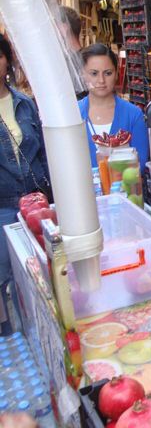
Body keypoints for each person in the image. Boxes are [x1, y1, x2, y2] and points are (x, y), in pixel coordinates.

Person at [0, 34, 50, 334]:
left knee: (41, 276)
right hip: (2, 207)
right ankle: (13, 336)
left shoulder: (24, 103)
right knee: (6, 276)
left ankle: (41, 336)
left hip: (36, 201)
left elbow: (43, 150)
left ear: (8, 60)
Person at [78, 43, 148, 170]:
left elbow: (140, 165)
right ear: (83, 75)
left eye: (108, 73)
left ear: (117, 74)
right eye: (94, 73)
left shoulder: (133, 115)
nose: (101, 80)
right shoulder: (73, 114)